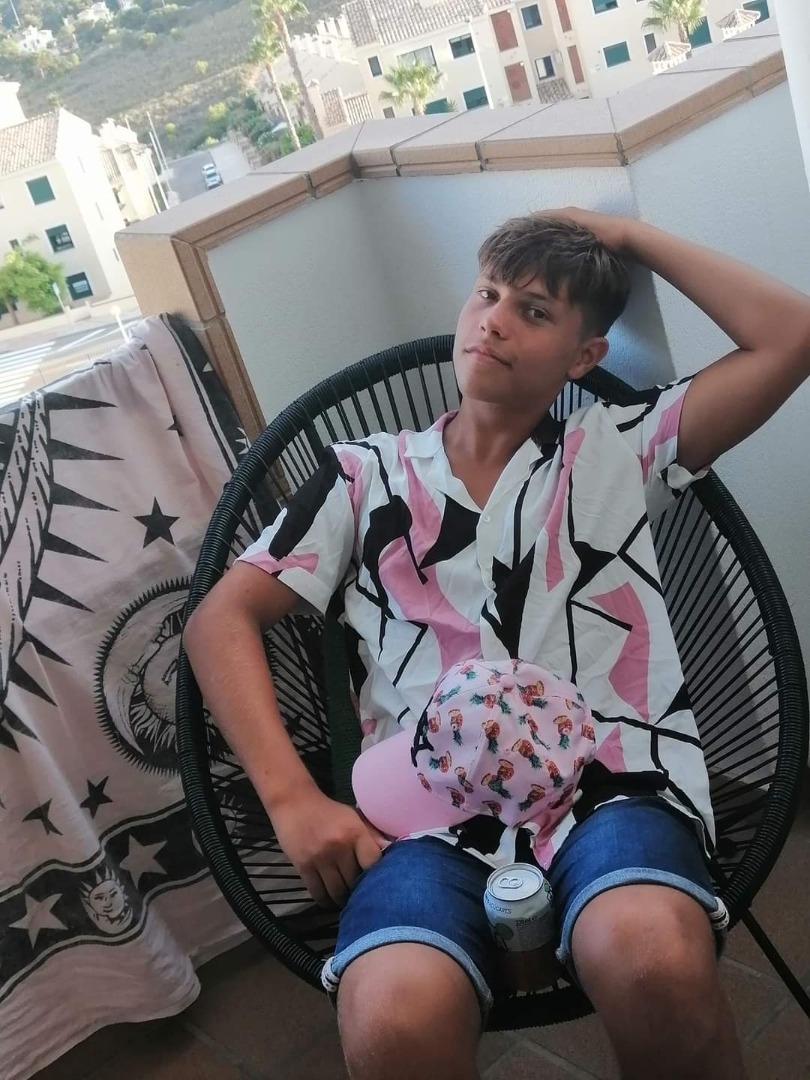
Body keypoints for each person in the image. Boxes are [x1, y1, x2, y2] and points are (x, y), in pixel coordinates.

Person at [183, 208, 810, 1080]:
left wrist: (624, 235)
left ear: (585, 356)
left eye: (535, 311)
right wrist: (292, 799)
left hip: (611, 787)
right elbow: (219, 620)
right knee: (392, 1015)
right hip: (420, 818)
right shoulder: (362, 474)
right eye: (487, 295)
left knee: (652, 958)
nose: (496, 321)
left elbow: (791, 335)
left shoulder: (617, 449)